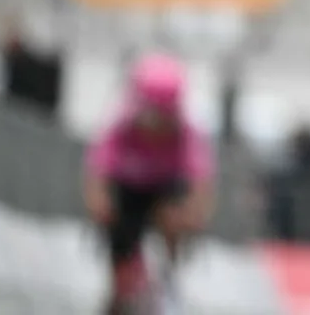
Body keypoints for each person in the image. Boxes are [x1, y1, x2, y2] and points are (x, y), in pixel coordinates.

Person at [83, 53, 214, 314]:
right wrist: (99, 204)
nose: (157, 126)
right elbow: (97, 170)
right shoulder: (120, 124)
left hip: (166, 190)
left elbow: (201, 180)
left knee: (174, 212)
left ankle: (169, 272)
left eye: (164, 118)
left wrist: (194, 215)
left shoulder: (187, 132)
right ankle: (120, 285)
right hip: (128, 190)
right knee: (120, 232)